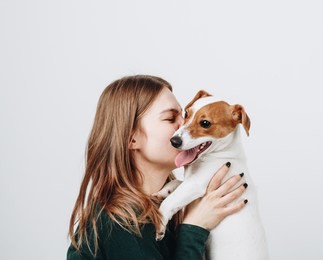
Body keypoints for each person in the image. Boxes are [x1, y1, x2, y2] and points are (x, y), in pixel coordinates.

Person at [67, 75, 248, 260]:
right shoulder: (119, 223)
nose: (184, 126)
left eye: (184, 115)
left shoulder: (163, 210)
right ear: (132, 138)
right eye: (170, 119)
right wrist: (194, 228)